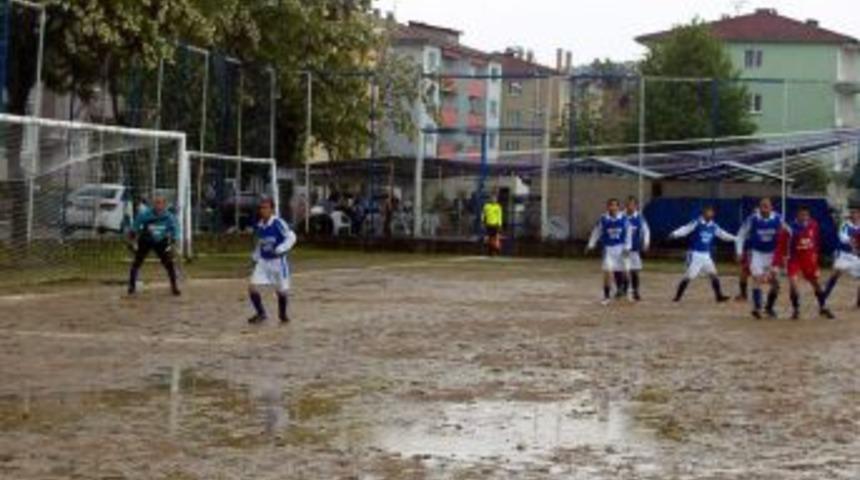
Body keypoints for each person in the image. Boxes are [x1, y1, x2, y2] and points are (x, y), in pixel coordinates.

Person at [772, 205, 834, 320]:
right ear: (797, 215)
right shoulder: (789, 228)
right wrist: (776, 263)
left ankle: (823, 307)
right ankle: (796, 310)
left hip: (808, 260)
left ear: (809, 216)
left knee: (816, 284)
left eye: (806, 215)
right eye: (802, 215)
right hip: (794, 260)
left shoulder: (813, 224)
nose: (804, 217)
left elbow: (815, 240)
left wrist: (815, 254)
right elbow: (780, 247)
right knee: (793, 284)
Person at [669, 205, 735, 303]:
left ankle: (719, 296)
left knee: (714, 274)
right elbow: (685, 229)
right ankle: (677, 297)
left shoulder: (713, 226)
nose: (710, 214)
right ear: (703, 213)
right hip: (696, 254)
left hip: (706, 255)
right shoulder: (697, 222)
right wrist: (675, 233)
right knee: (689, 276)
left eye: (712, 212)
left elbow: (723, 234)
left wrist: (735, 238)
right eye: (708, 212)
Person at [248, 198, 297, 325]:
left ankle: (282, 315)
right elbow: (260, 244)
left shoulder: (278, 223)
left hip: (278, 262)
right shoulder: (260, 225)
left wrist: (281, 248)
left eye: (265, 208)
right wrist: (254, 258)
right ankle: (261, 313)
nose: (262, 210)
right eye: (261, 208)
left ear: (271, 209)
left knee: (281, 291)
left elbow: (291, 237)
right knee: (252, 287)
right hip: (264, 261)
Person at [735, 198, 784, 319]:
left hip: (773, 254)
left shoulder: (778, 218)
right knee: (757, 279)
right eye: (762, 206)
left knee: (776, 284)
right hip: (757, 254)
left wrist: (786, 252)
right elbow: (740, 235)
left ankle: (769, 308)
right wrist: (739, 251)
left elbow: (788, 233)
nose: (765, 208)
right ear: (759, 207)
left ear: (772, 207)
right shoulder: (752, 219)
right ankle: (757, 308)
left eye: (767, 206)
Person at [127, 196, 180, 296]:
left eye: (160, 203)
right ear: (153, 205)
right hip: (146, 240)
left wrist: (173, 244)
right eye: (156, 203)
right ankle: (131, 286)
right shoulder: (144, 215)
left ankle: (174, 287)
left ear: (164, 205)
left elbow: (175, 231)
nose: (158, 206)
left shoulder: (169, 217)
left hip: (161, 241)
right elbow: (135, 228)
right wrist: (131, 241)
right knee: (137, 262)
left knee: (169, 264)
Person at [587, 198, 628, 306]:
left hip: (620, 248)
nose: (613, 207)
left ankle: (620, 289)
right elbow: (596, 232)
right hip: (608, 249)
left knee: (619, 272)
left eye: (615, 205)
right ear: (607, 207)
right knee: (607, 273)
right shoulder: (603, 219)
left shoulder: (623, 218)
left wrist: (627, 247)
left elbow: (628, 234)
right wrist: (591, 244)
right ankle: (606, 297)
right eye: (610, 205)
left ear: (618, 207)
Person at [823, 205, 860, 308]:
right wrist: (853, 241)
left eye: (856, 213)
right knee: (835, 274)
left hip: (856, 256)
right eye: (852, 213)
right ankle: (823, 298)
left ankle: (859, 302)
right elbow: (842, 237)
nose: (854, 215)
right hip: (844, 254)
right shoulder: (845, 225)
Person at [623, 196, 650, 301]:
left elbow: (646, 230)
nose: (630, 206)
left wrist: (646, 242)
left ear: (636, 206)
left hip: (635, 249)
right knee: (624, 271)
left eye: (633, 204)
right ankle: (623, 290)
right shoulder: (621, 216)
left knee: (635, 271)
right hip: (623, 249)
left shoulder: (639, 217)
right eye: (628, 204)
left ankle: (635, 291)